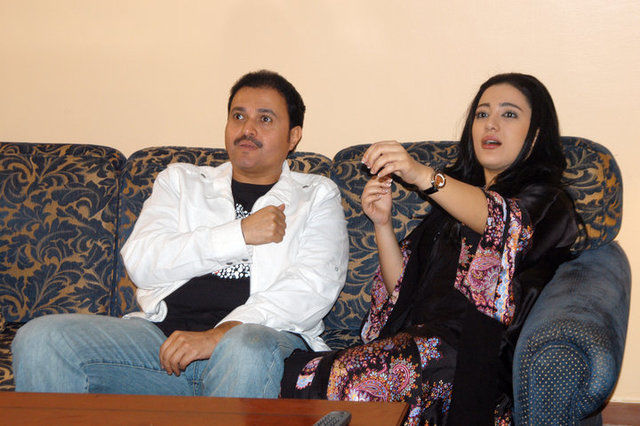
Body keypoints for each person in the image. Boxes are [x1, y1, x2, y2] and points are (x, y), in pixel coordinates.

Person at [12, 70, 349, 398]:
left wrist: (218, 336)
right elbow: (141, 263)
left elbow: (312, 287)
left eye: (265, 119)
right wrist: (239, 234)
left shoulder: (316, 195)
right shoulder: (181, 182)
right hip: (160, 345)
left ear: (293, 136)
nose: (247, 129)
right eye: (238, 116)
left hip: (260, 346)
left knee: (245, 346)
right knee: (40, 339)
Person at [281, 73, 578, 425]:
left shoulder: (547, 201)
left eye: (509, 114)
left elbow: (504, 223)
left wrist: (424, 175)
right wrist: (382, 224)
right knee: (293, 372)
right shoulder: (449, 208)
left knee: (313, 379)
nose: (491, 124)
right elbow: (401, 288)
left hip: (467, 358)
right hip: (420, 346)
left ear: (536, 133)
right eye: (482, 114)